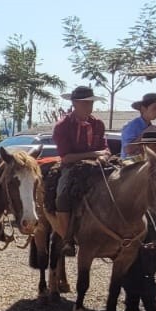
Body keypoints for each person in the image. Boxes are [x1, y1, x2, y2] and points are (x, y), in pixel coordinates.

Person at [118, 127, 156, 311]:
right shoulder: (129, 165)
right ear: (144, 147)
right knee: (135, 266)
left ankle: (133, 308)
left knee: (150, 264)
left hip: (154, 221)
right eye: (153, 146)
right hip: (132, 221)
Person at [51, 85, 109, 257]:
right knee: (62, 195)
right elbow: (66, 157)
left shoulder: (98, 124)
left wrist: (104, 156)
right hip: (72, 168)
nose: (89, 106)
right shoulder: (62, 126)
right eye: (84, 103)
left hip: (97, 166)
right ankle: (67, 238)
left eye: (90, 103)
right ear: (75, 103)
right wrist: (94, 154)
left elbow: (104, 147)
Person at [120, 92, 156, 158]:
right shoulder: (132, 126)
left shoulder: (152, 128)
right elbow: (128, 150)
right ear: (143, 109)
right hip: (130, 165)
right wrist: (145, 134)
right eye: (154, 108)